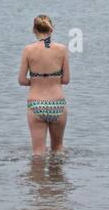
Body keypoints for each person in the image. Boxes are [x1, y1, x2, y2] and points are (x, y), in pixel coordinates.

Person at [16, 14, 70, 155]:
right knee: (58, 149)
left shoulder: (28, 50)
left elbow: (22, 80)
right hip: (57, 104)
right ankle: (57, 176)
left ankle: (36, 176)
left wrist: (36, 81)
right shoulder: (62, 49)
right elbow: (65, 80)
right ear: (51, 30)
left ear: (34, 30)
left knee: (38, 153)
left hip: (36, 105)